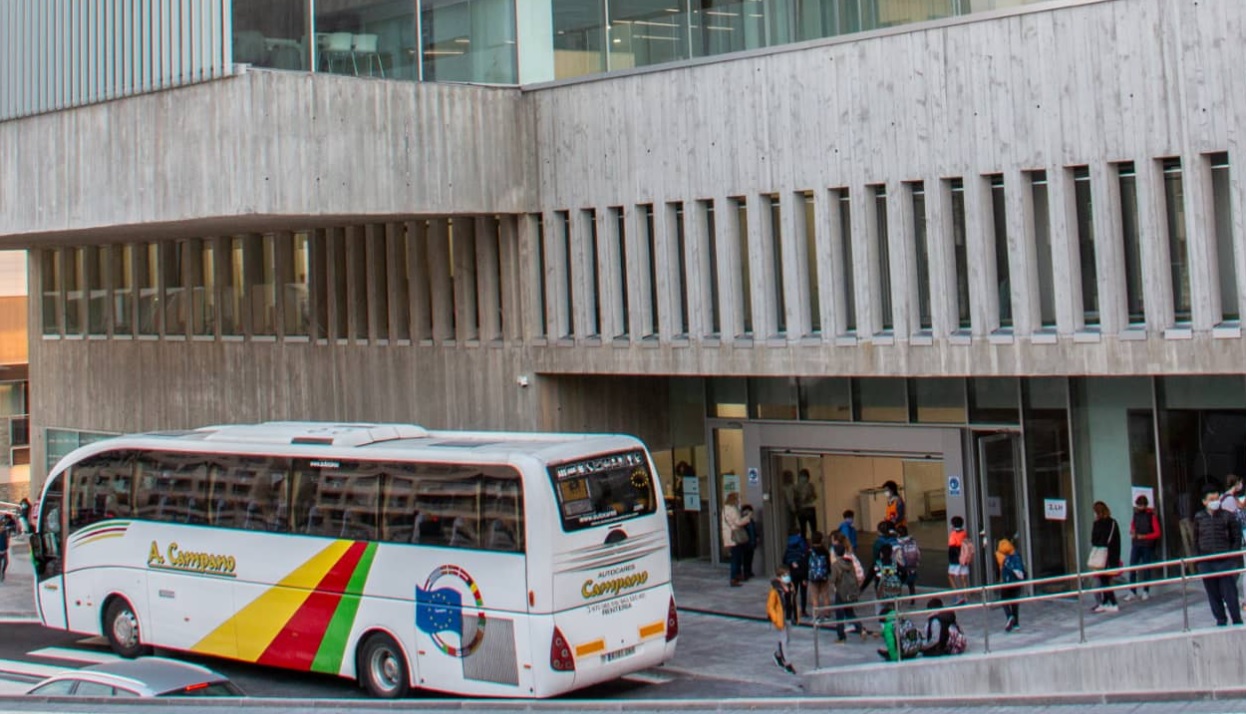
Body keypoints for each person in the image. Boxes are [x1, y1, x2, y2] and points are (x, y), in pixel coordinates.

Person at [1192, 486, 1244, 626]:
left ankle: (1237, 620)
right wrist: (1198, 561)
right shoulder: (1199, 517)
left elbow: (1236, 537)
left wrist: (1232, 556)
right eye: (1211, 499)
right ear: (1204, 501)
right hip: (1206, 562)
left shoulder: (1228, 516)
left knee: (1230, 594)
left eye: (1217, 499)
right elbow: (1195, 539)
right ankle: (1220, 620)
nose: (1215, 502)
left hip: (1225, 561)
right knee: (1213, 594)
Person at [1123, 494, 1161, 602]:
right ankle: (1132, 591)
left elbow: (1157, 533)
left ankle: (1146, 591)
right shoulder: (1136, 515)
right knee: (1132, 567)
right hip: (1136, 543)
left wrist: (1145, 536)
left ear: (1145, 506)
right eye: (1138, 506)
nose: (1139, 508)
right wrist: (1133, 531)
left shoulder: (1151, 516)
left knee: (1146, 568)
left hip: (1147, 545)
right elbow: (1133, 526)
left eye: (1141, 506)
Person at [1090, 501, 1123, 614]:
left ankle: (1113, 603)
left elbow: (1094, 541)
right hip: (1113, 555)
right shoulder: (1113, 523)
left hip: (1102, 556)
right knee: (1106, 579)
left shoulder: (1098, 524)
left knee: (1104, 580)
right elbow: (1117, 540)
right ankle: (1104, 603)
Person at [831, 542, 865, 642]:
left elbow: (833, 579)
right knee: (849, 612)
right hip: (850, 591)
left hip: (841, 591)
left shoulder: (836, 565)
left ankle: (841, 636)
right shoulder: (849, 562)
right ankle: (860, 628)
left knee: (840, 614)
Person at [767, 566, 797, 674]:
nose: (787, 577)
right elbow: (770, 606)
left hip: (788, 616)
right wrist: (775, 619)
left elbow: (793, 601)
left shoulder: (791, 586)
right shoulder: (775, 590)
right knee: (783, 640)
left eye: (787, 575)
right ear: (779, 578)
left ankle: (778, 655)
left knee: (788, 639)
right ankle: (787, 663)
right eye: (784, 575)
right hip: (780, 617)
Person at [721, 492, 752, 587]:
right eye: (738, 498)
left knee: (736, 557)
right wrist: (747, 518)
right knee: (736, 558)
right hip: (735, 536)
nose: (739, 500)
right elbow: (738, 522)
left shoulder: (725, 508)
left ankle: (736, 576)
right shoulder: (732, 509)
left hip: (730, 535)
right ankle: (734, 578)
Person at [996, 538, 1025, 632]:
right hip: (1016, 583)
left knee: (1004, 600)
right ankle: (1016, 624)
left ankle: (1009, 616)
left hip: (1007, 582)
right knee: (1015, 603)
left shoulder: (1004, 558)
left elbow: (1002, 571)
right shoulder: (1016, 555)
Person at [782, 526, 810, 619]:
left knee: (794, 591)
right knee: (803, 592)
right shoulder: (802, 543)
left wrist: (791, 563)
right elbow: (806, 556)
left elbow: (785, 559)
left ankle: (793, 609)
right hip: (802, 570)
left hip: (793, 572)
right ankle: (803, 610)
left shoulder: (788, 544)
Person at [807, 531, 832, 620]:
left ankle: (816, 615)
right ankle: (827, 614)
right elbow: (829, 564)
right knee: (825, 595)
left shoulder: (809, 551)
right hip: (824, 576)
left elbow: (807, 564)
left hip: (813, 577)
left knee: (815, 597)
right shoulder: (825, 551)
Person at [947, 516, 972, 605]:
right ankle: (966, 597)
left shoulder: (953, 535)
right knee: (964, 579)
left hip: (955, 560)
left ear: (953, 524)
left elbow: (952, 547)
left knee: (951, 576)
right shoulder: (964, 533)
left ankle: (958, 595)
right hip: (964, 559)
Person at [894, 524, 921, 596]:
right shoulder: (912, 541)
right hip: (912, 566)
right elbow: (917, 553)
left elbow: (895, 555)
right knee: (911, 584)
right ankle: (912, 599)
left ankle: (898, 598)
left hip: (901, 567)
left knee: (898, 582)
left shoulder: (897, 542)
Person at [794, 469, 818, 540]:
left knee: (807, 528)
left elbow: (814, 496)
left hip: (805, 508)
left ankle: (808, 543)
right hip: (806, 508)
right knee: (808, 528)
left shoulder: (808, 485)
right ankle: (809, 543)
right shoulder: (798, 486)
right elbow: (814, 496)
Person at [740, 503, 759, 580]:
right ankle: (746, 573)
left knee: (750, 557)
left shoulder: (751, 520)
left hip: (751, 541)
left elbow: (753, 531)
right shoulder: (744, 520)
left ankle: (749, 571)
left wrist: (756, 537)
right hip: (746, 542)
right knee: (746, 558)